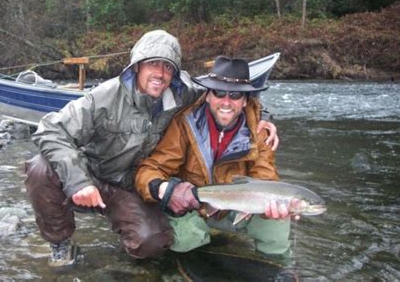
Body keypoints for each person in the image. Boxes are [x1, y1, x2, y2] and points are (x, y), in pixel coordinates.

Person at [24, 30, 279, 269]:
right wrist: (79, 182)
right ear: (136, 66)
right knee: (41, 167)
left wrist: (263, 119)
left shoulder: (185, 95)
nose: (160, 73)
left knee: (152, 243)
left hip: (132, 186)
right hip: (91, 174)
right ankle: (60, 243)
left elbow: (227, 98)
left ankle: (125, 234)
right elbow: (50, 129)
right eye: (153, 63)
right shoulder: (104, 96)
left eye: (168, 67)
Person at [135, 55, 296, 257]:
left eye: (235, 95)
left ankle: (279, 267)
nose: (226, 102)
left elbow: (267, 179)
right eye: (219, 92)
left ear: (245, 100)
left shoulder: (261, 132)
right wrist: (165, 190)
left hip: (239, 210)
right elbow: (150, 169)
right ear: (208, 95)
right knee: (187, 241)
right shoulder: (184, 124)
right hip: (197, 208)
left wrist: (270, 209)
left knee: (277, 225)